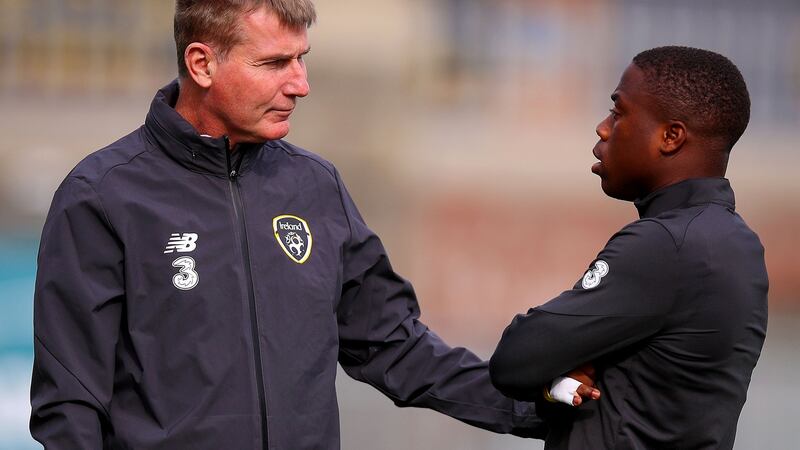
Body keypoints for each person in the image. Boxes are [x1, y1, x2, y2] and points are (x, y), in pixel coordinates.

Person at [28, 1, 600, 448]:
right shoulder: (103, 196)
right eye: (274, 63)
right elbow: (70, 402)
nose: (299, 83)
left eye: (302, 59)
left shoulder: (315, 186)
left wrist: (537, 410)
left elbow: (394, 347)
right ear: (202, 62)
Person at [489, 45, 768, 449]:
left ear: (671, 137)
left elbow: (514, 361)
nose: (603, 128)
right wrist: (561, 381)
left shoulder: (665, 244)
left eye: (618, 113)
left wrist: (554, 367)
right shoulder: (740, 244)